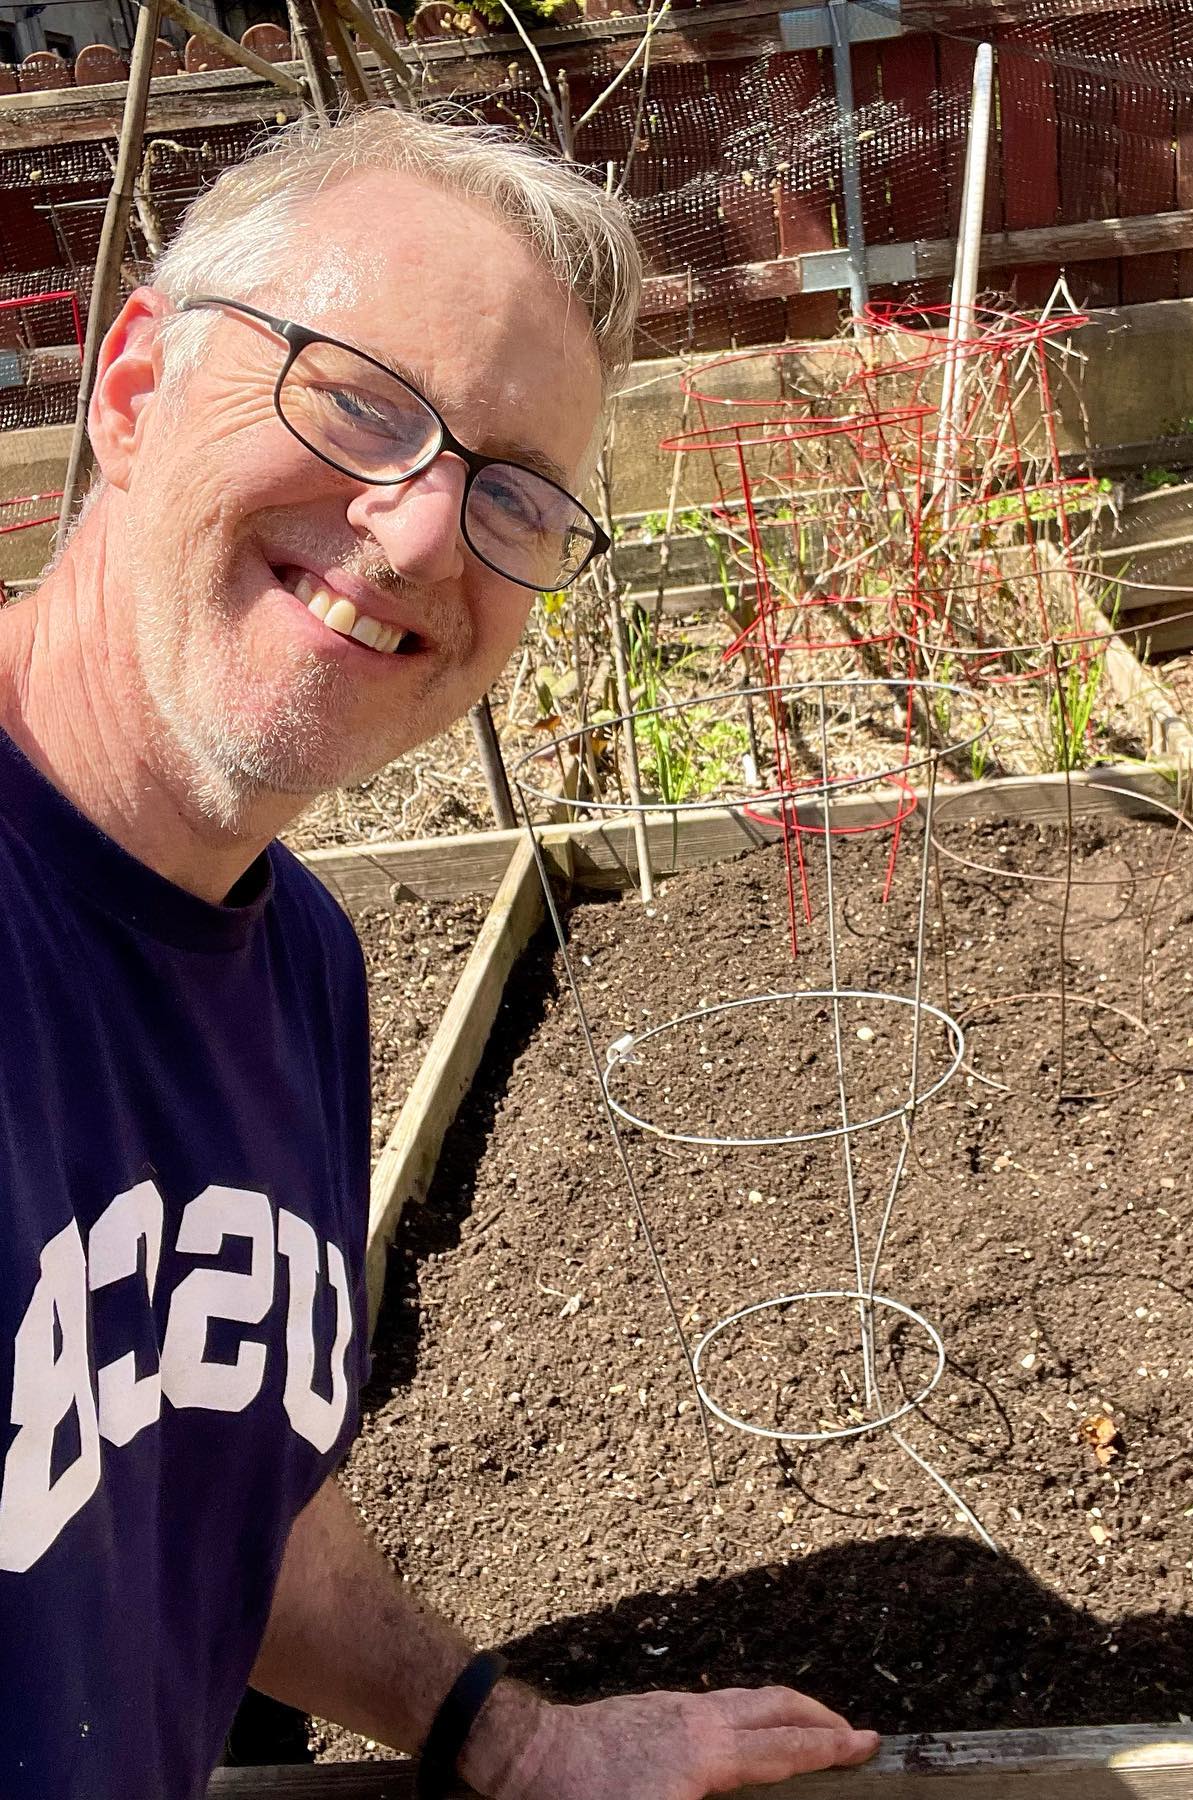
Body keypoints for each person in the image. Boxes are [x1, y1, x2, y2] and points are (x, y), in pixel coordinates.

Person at [0, 108, 879, 1800]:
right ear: (130, 388)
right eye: (358, 400)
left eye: (515, 498)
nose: (418, 538)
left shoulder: (303, 975)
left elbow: (217, 1476)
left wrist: (501, 1727)